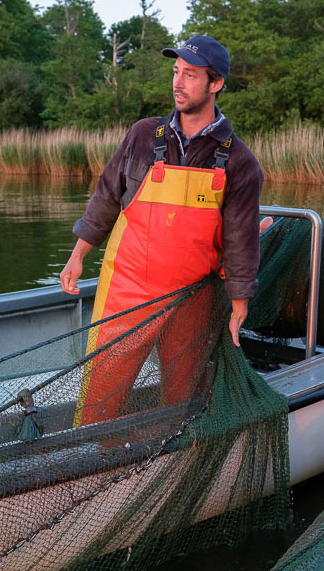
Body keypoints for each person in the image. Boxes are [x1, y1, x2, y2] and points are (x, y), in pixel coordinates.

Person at [60, 35, 263, 427]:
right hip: (127, 287)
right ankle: (90, 452)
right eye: (176, 72)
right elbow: (106, 196)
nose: (178, 82)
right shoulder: (142, 135)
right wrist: (78, 255)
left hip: (192, 294)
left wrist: (240, 302)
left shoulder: (240, 161)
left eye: (190, 74)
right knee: (100, 392)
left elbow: (241, 238)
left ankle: (174, 450)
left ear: (215, 83)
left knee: (183, 394)